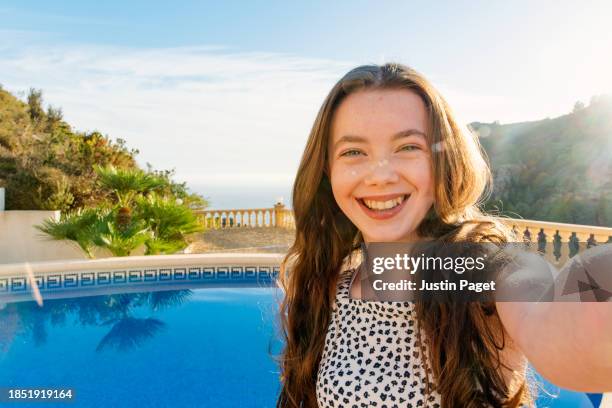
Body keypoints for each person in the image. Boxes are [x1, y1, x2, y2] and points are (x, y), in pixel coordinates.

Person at [274, 63, 612, 407]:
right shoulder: (328, 288)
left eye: (407, 147)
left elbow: (554, 323)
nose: (380, 176)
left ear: (443, 162)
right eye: (353, 152)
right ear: (328, 171)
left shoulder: (481, 276)